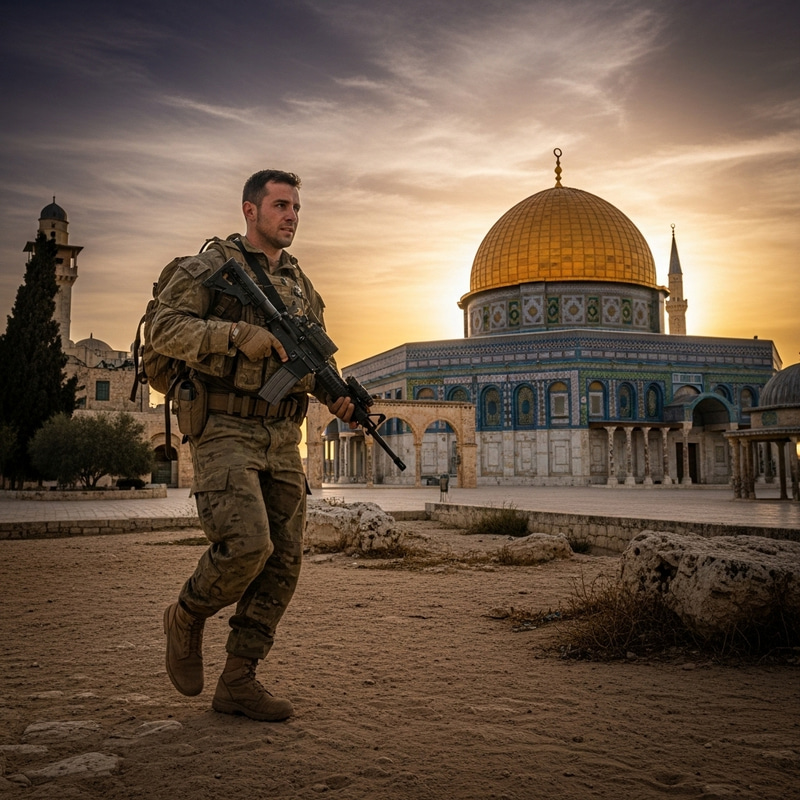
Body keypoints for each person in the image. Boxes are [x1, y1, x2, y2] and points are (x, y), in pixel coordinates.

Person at [151, 170, 354, 721]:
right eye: (281, 206)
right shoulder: (209, 269)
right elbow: (163, 331)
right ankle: (187, 615)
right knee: (246, 545)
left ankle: (239, 679)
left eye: (296, 208)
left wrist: (337, 394)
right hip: (224, 430)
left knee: (283, 563)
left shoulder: (302, 286)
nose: (291, 216)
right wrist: (237, 335)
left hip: (283, 436)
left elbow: (305, 363)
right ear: (250, 210)